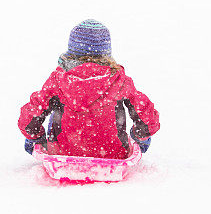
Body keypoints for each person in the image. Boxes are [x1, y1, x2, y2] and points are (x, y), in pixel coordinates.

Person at [18, 19, 160, 159]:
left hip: (63, 154)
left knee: (43, 120)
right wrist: (139, 137)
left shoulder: (58, 80)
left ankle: (54, 145)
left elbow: (29, 117)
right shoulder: (119, 80)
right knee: (141, 131)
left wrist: (36, 138)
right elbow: (147, 116)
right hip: (112, 154)